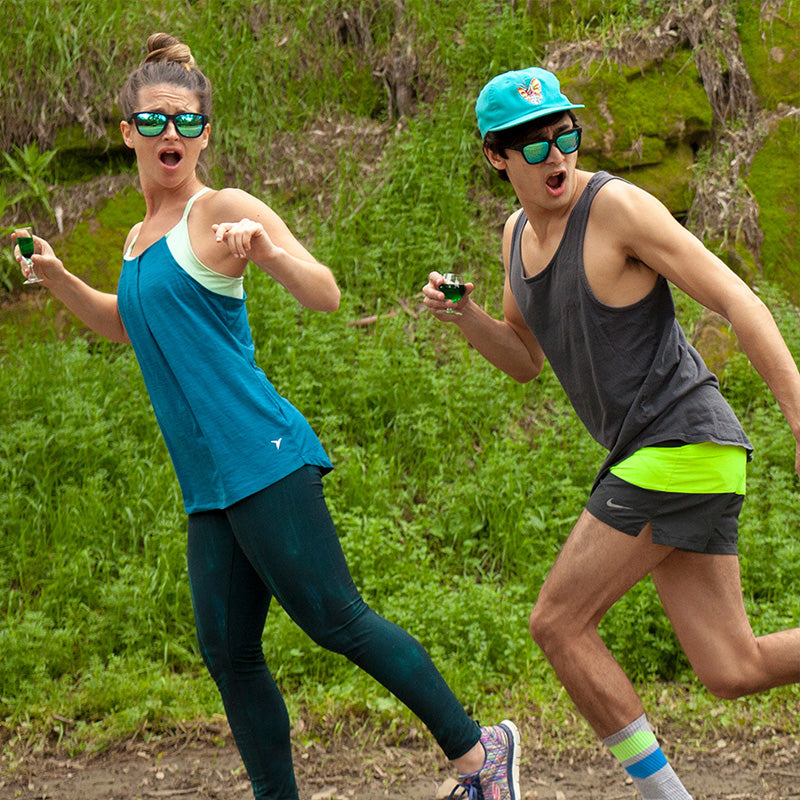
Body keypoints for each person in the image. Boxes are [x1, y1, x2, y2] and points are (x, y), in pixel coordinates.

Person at [12, 33, 521, 800]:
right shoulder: (139, 237)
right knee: (228, 652)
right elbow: (128, 325)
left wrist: (267, 253)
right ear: (128, 132)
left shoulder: (221, 210)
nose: (171, 133)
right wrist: (56, 278)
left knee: (335, 619)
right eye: (153, 121)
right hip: (211, 483)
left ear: (204, 133)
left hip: (262, 453)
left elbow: (325, 292)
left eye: (186, 120)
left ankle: (480, 752)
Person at [422, 66, 800, 800]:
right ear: (496, 156)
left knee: (558, 623)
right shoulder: (515, 237)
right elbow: (525, 358)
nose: (556, 156)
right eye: (534, 145)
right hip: (669, 454)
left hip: (681, 442)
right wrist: (465, 316)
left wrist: (796, 412)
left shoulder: (617, 208)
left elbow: (737, 299)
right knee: (733, 668)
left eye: (565, 135)